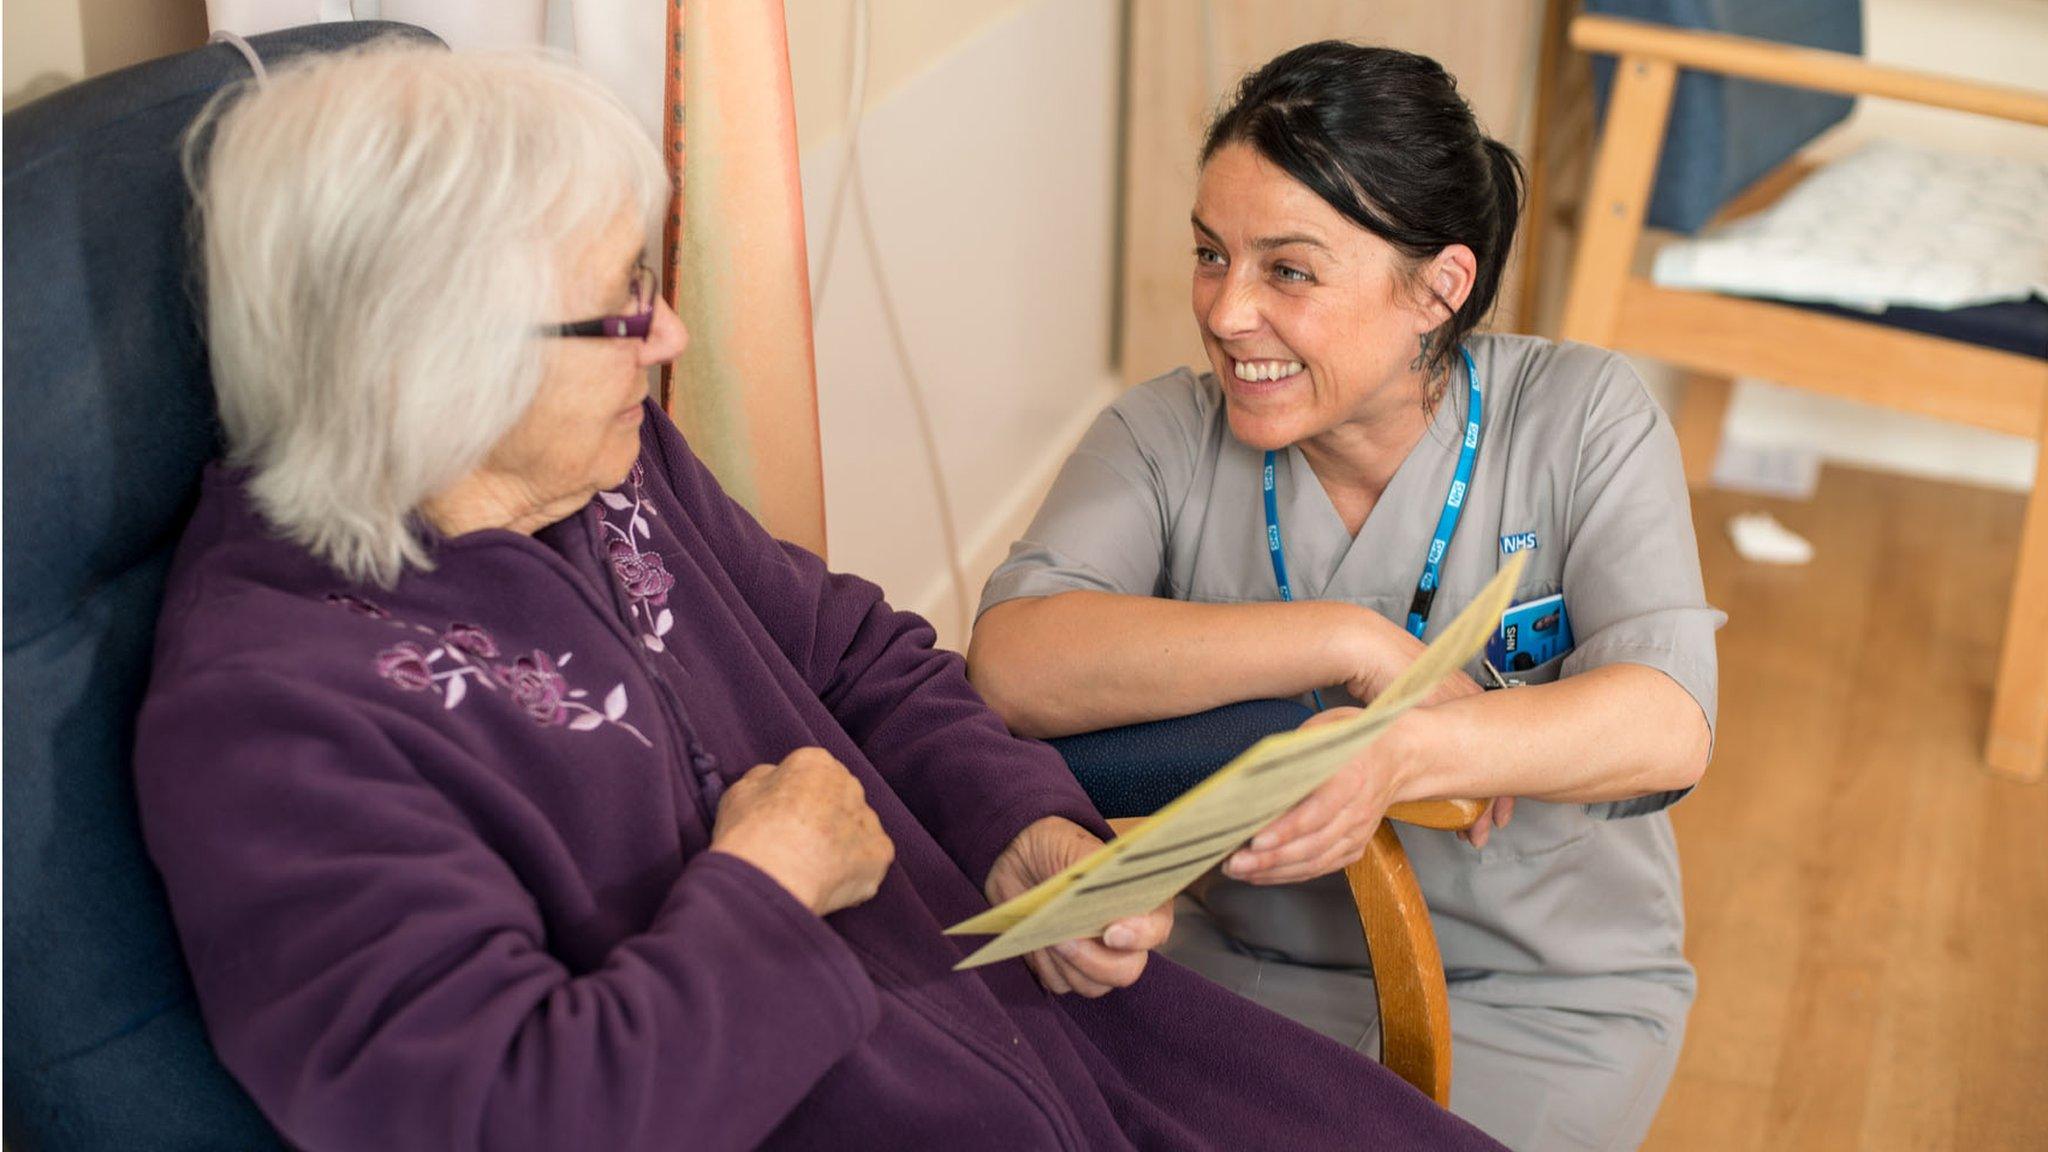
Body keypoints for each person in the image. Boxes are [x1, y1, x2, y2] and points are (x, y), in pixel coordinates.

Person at [133, 43, 1503, 1152]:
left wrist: (1022, 827)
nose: (668, 340)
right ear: (422, 360)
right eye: (621, 306)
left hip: (1048, 1030)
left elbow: (858, 657)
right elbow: (508, 1114)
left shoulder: (599, 463)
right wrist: (769, 890)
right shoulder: (276, 719)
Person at [969, 41, 1722, 1151]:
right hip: (1231, 979)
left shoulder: (1580, 418)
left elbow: (1667, 723)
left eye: (1287, 270)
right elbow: (1014, 663)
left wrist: (1397, 755)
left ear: (1437, 287)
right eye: (1208, 254)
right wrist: (1348, 641)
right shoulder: (1161, 437)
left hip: (1537, 993)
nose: (1224, 313)